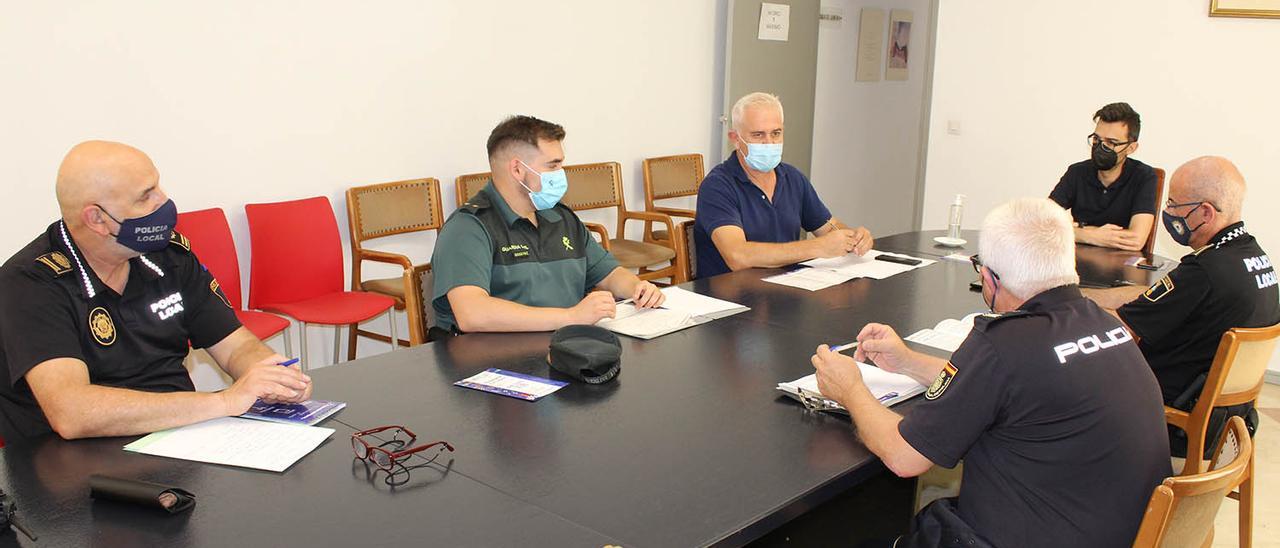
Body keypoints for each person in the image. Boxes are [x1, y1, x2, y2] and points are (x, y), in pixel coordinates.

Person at [812, 198, 1170, 547]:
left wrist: (850, 389)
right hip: (1119, 530)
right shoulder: (1105, 325)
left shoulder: (1002, 343)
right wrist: (907, 361)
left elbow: (905, 457)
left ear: (990, 278)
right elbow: (1006, 388)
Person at [0, 141, 312, 442]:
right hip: (71, 464)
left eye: (158, 186)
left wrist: (273, 376)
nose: (163, 201)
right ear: (97, 219)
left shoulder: (169, 256)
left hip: (178, 440)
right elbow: (72, 413)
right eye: (145, 196)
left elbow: (235, 345)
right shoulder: (30, 283)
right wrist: (225, 402)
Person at [1085, 156, 1277, 454]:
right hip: (1228, 422)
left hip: (1172, 420)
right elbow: (1151, 299)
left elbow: (1122, 326)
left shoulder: (1204, 271)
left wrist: (1066, 305)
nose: (1168, 212)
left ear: (1205, 212)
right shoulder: (1253, 258)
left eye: (1174, 204)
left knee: (1067, 372)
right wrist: (1085, 294)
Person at [430, 115, 665, 337]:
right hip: (497, 362)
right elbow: (473, 314)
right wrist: (571, 317)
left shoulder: (560, 217)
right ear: (518, 169)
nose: (560, 174)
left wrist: (638, 288)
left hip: (564, 348)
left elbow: (608, 273)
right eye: (552, 166)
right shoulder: (469, 227)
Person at [693, 92, 873, 278]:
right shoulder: (717, 186)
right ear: (736, 139)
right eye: (758, 135)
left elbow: (828, 226)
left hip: (788, 288)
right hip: (731, 297)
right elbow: (738, 256)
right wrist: (818, 247)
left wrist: (854, 238)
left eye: (776, 133)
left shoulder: (792, 178)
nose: (769, 143)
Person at [1049, 102, 1158, 251]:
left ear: (1131, 148)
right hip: (1076, 262)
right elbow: (1043, 224)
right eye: (1096, 139)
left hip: (1121, 266)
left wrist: (1075, 230)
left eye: (1111, 143)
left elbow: (1135, 240)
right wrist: (1091, 235)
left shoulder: (1144, 176)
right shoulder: (1077, 172)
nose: (1101, 147)